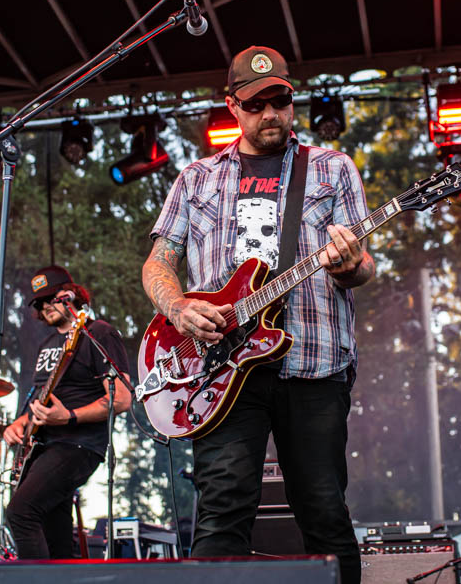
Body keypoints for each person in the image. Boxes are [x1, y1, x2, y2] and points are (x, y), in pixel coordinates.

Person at [141, 46, 374, 583]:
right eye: (256, 104)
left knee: (323, 510)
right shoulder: (196, 178)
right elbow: (158, 261)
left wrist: (348, 265)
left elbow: (362, 269)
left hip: (313, 363)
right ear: (232, 105)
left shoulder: (332, 169)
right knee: (220, 516)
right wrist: (176, 307)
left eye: (281, 101)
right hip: (219, 370)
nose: (270, 113)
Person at [2, 265, 131, 559]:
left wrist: (69, 417)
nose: (44, 307)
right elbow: (41, 401)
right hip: (44, 446)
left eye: (50, 298)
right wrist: (20, 424)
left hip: (79, 445)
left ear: (69, 295)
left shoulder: (98, 332)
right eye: (38, 303)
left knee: (22, 512)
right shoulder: (46, 344)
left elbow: (122, 399)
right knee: (54, 532)